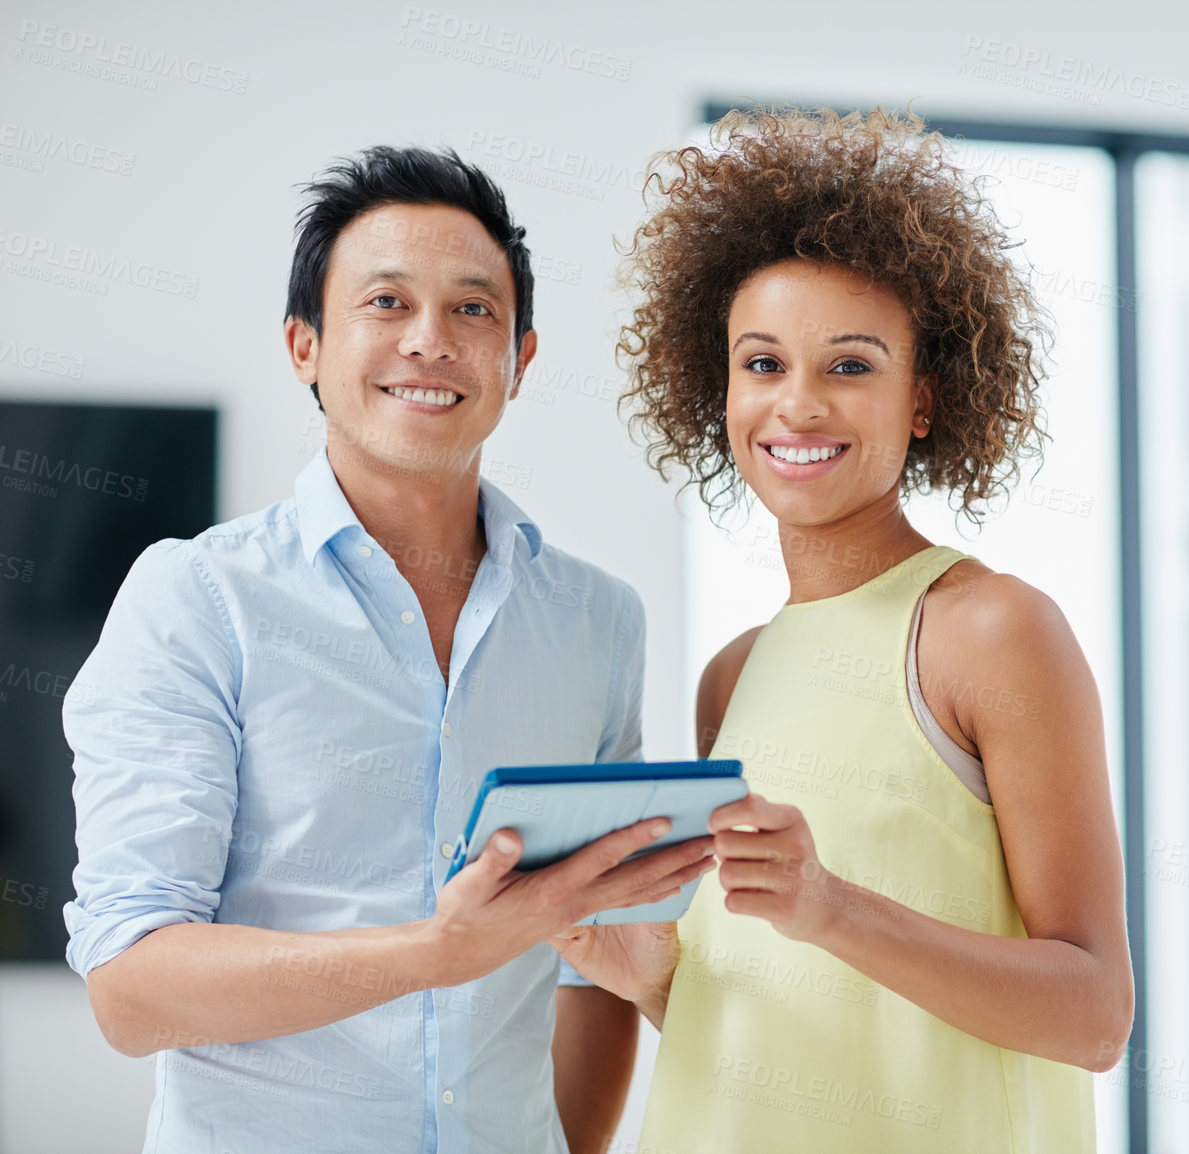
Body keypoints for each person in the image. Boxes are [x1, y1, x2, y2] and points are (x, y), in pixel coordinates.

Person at [61, 145, 714, 1154]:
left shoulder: (597, 620)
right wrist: (437, 952)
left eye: (472, 309)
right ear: (303, 346)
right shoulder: (198, 598)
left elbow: (595, 959)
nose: (430, 340)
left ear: (520, 359)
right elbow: (133, 989)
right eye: (385, 302)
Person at [553, 107, 1134, 1152]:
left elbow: (1094, 1014)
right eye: (762, 364)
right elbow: (797, 1028)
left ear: (923, 398)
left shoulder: (988, 629)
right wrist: (654, 981)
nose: (798, 405)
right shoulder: (732, 674)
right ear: (717, 386)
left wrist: (831, 905)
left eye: (851, 365)